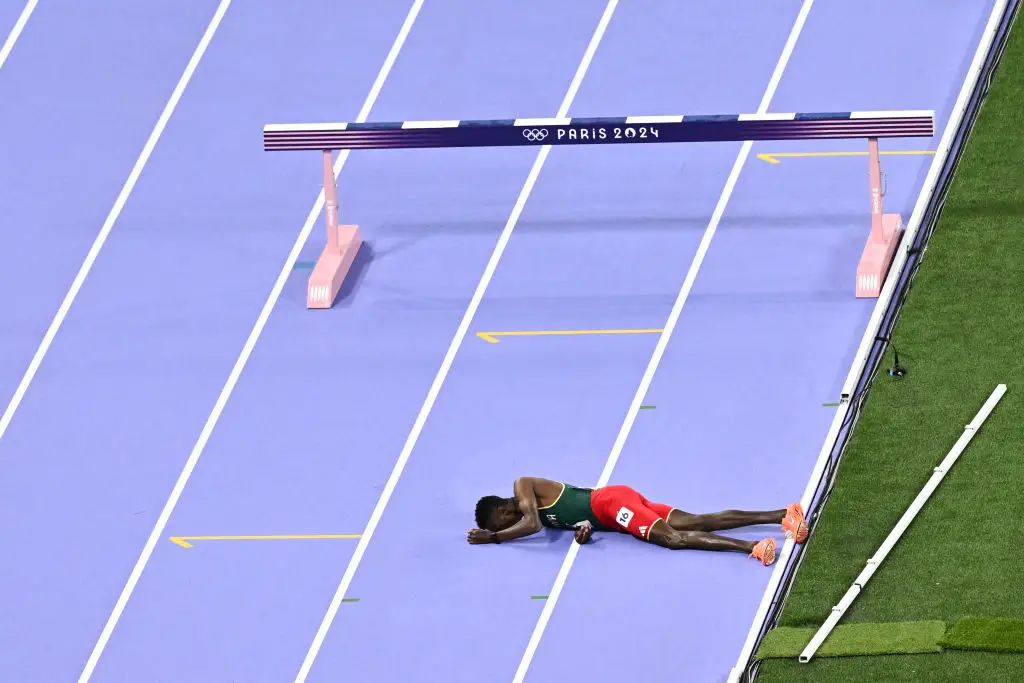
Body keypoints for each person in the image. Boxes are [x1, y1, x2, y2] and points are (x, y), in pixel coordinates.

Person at [468, 477, 808, 566]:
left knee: (673, 539)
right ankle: (783, 514)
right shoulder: (540, 513)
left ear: (502, 512)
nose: (507, 531)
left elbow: (532, 525)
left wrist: (494, 539)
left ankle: (753, 546)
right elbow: (576, 516)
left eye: (501, 526)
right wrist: (583, 532)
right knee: (698, 521)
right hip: (612, 510)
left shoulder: (522, 488)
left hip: (612, 505)